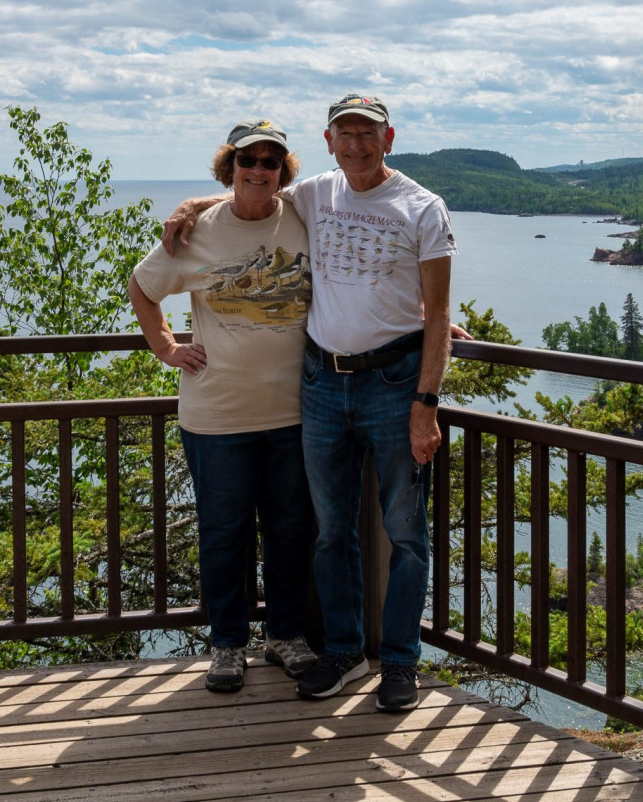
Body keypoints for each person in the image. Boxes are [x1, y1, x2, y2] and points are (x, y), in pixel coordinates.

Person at [164, 93, 455, 712]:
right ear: (328, 142)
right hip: (321, 384)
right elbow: (253, 195)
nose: (356, 144)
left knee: (405, 532)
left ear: (389, 138)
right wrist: (192, 206)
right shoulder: (318, 193)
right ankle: (344, 652)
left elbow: (438, 311)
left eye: (367, 133)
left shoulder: (422, 207)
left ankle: (400, 662)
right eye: (344, 133)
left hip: (393, 385)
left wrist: (426, 402)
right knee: (329, 531)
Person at [129, 118, 318, 692]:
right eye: (247, 160)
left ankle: (285, 636)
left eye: (269, 161)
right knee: (224, 533)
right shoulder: (197, 234)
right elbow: (142, 286)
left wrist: (428, 317)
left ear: (283, 170)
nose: (258, 170)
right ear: (229, 166)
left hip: (295, 411)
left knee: (292, 530)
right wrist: (167, 348)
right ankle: (228, 644)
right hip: (217, 415)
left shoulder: (304, 216)